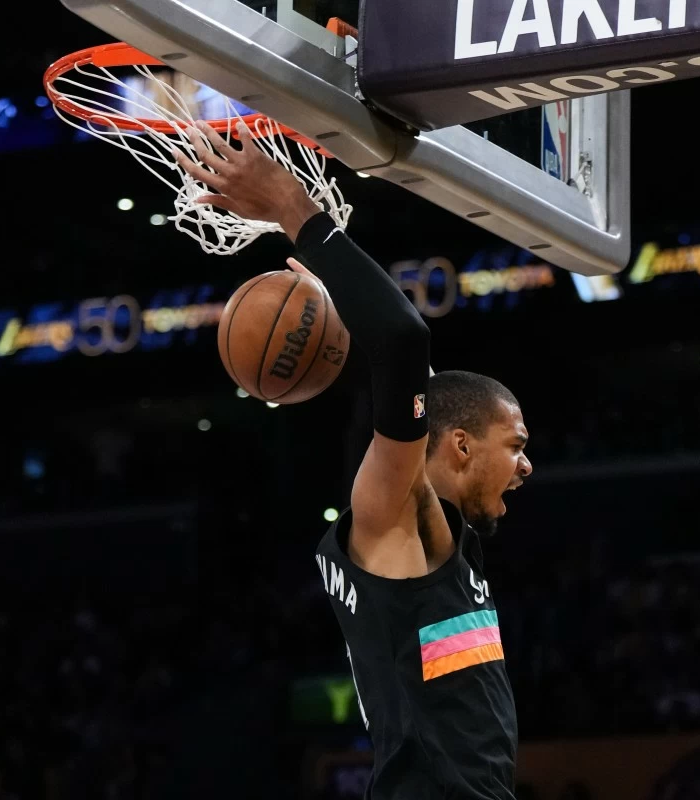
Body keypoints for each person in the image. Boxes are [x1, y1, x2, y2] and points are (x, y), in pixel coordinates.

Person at [180, 121, 533, 799]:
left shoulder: (440, 544)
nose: (525, 466)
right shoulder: (395, 515)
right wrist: (292, 206)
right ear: (459, 444)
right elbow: (402, 341)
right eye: (514, 445)